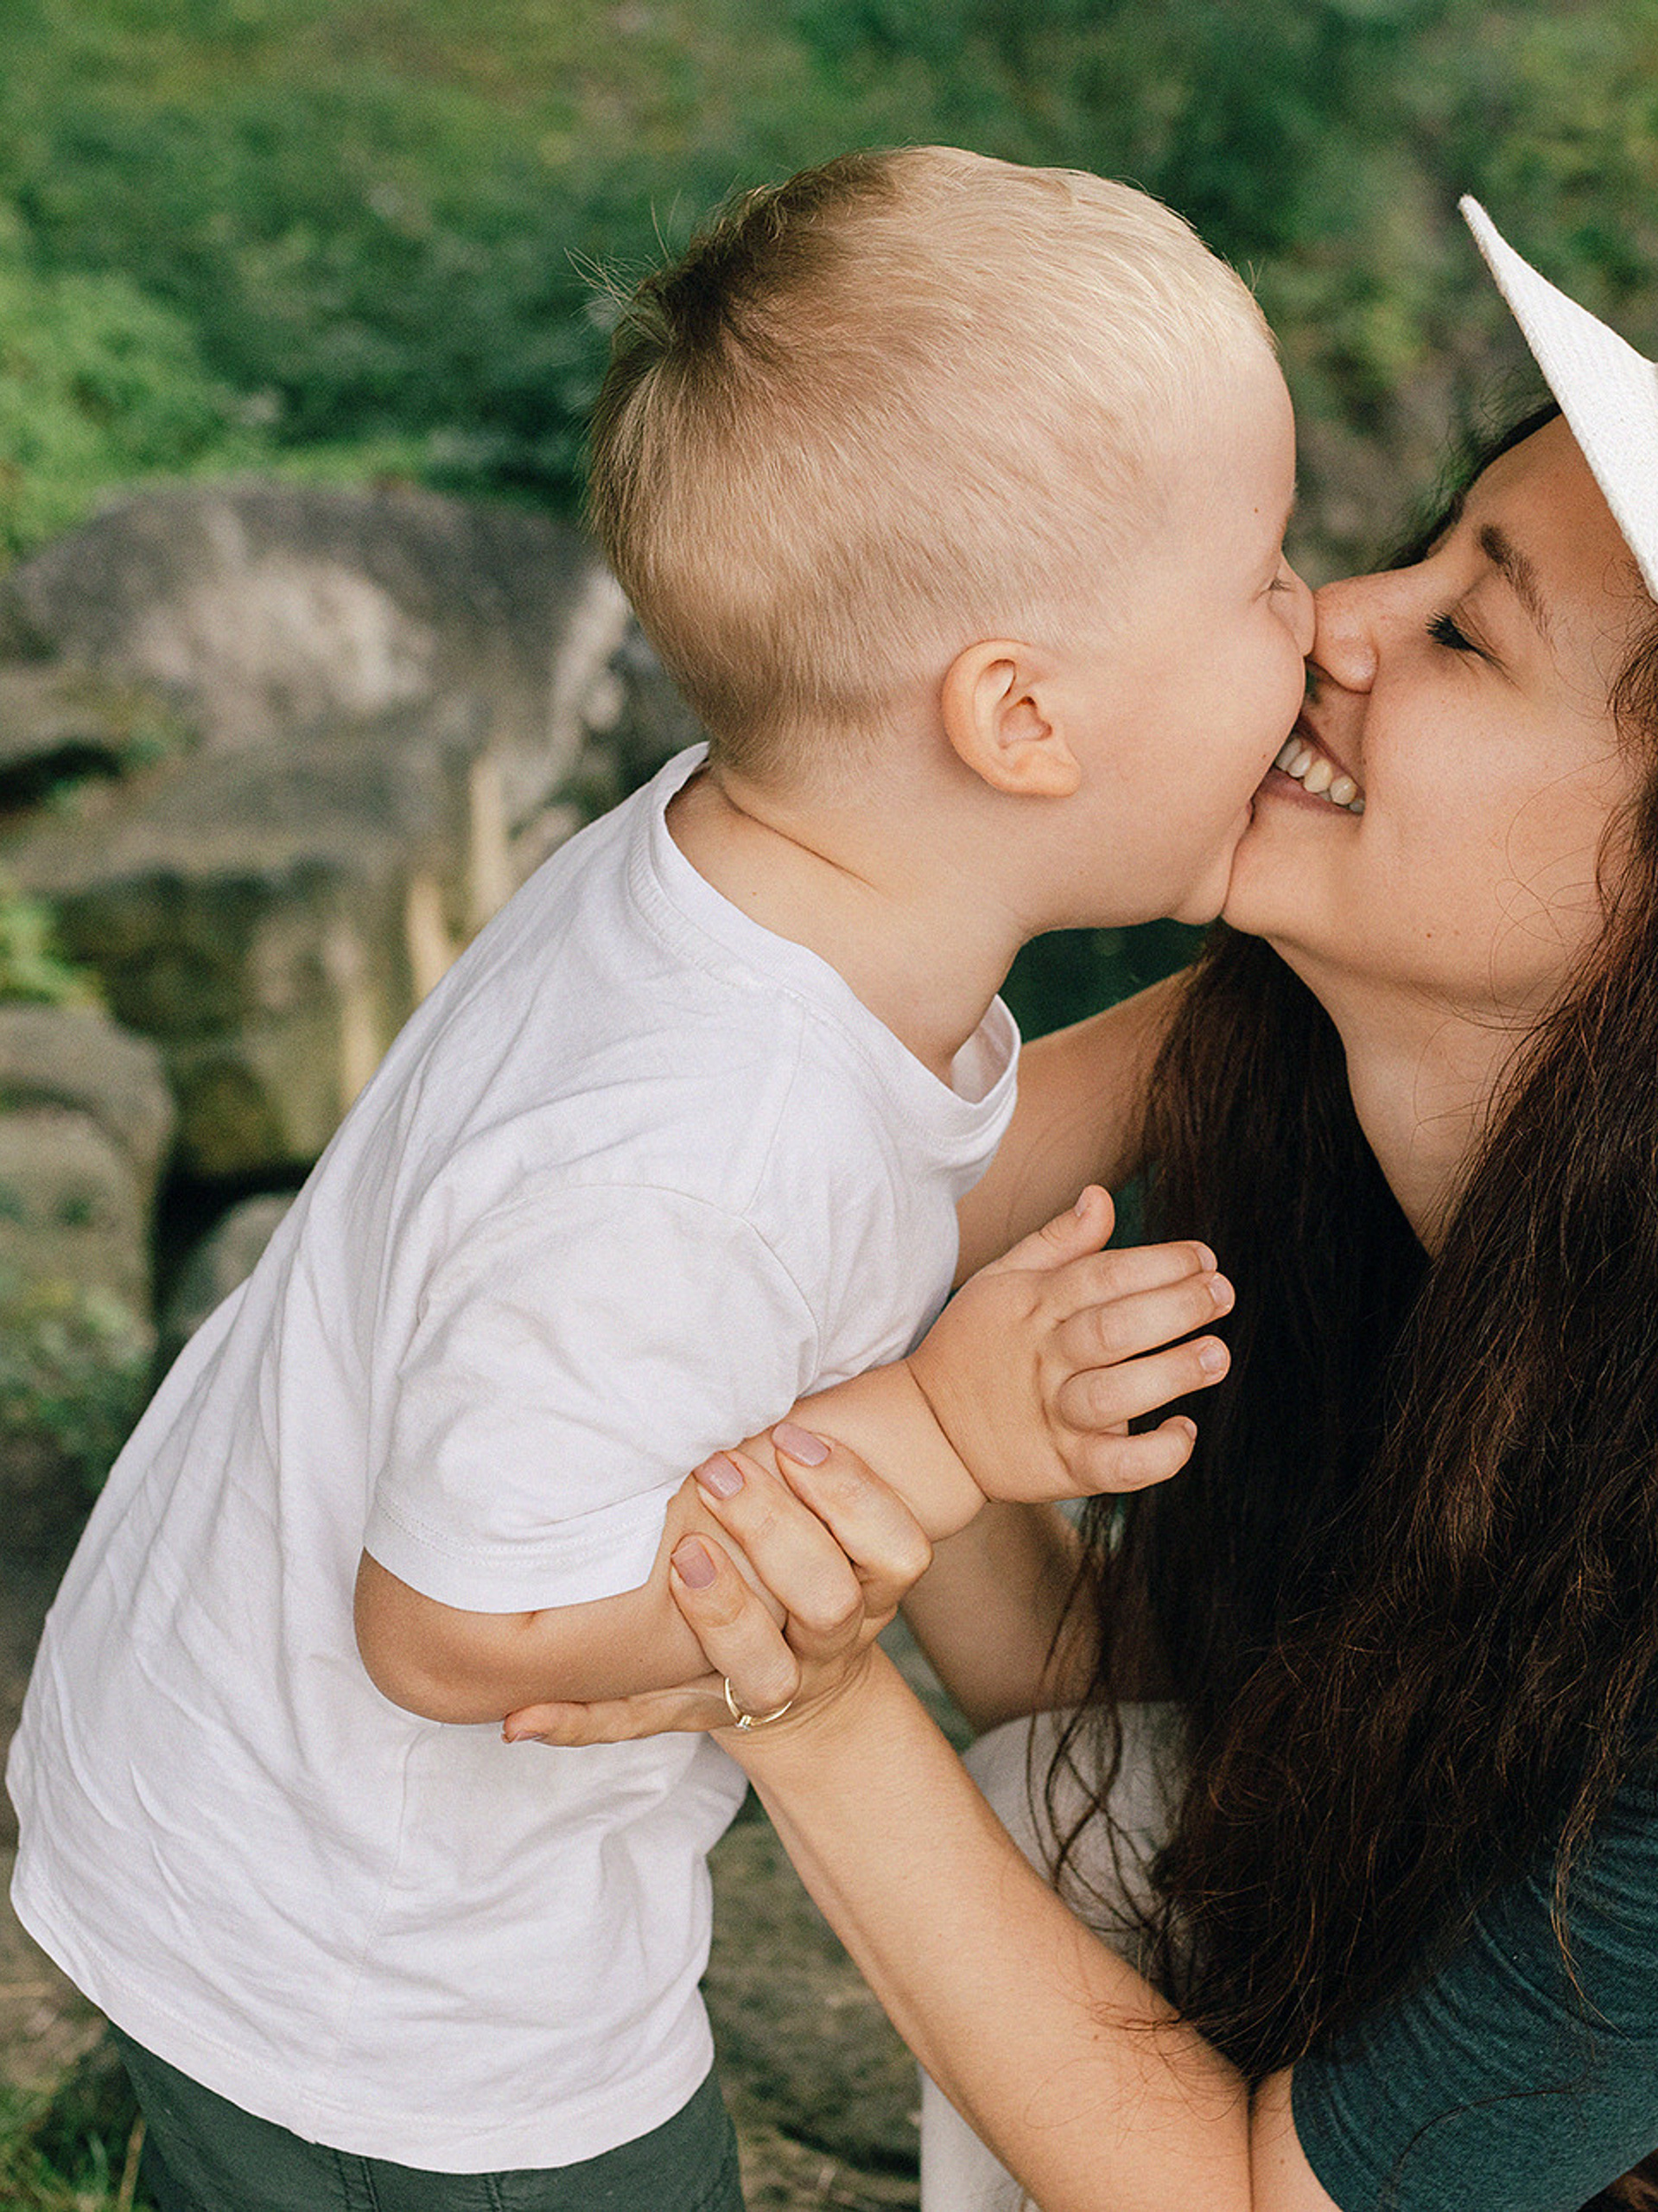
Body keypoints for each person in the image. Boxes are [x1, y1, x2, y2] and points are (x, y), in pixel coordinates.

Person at [512, 201, 1658, 2209]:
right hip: (1569, 2070)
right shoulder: (1349, 1068)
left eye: (1465, 632)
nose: (1336, 616)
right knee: (1074, 1816)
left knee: (1045, 1876)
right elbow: (1042, 1603)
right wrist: (879, 1472)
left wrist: (795, 1690)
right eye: (1423, 546)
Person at [5, 146, 1315, 2207]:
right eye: (1263, 571)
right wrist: (935, 1423)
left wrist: (1314, 969)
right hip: (394, 1955)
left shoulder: (772, 878)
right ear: (1020, 715)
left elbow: (861, 1203)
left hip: (235, 1817)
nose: (1312, 626)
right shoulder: (695, 1122)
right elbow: (451, 1627)